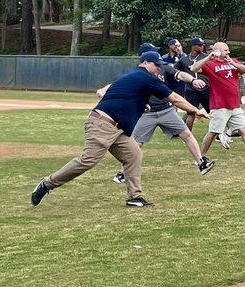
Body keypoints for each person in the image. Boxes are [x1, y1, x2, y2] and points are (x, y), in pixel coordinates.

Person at [31, 51, 208, 208]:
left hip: (117, 128)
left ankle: (134, 197)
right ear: (145, 63)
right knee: (87, 161)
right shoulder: (145, 77)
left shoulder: (131, 76)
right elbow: (175, 99)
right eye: (156, 66)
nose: (159, 69)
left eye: (160, 66)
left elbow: (120, 95)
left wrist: (140, 104)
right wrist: (195, 110)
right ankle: (47, 184)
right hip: (103, 125)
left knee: (134, 154)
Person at [112, 43, 215, 185]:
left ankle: (201, 164)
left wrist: (193, 79)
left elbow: (179, 74)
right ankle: (122, 173)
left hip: (166, 110)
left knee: (187, 134)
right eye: (153, 53)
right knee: (137, 144)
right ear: (145, 58)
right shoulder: (137, 74)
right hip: (147, 114)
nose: (158, 55)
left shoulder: (162, 67)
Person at [192, 42, 245, 166]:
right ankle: (200, 158)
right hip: (219, 105)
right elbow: (193, 68)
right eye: (226, 50)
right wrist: (208, 58)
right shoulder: (210, 64)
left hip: (234, 105)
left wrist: (233, 63)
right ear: (218, 51)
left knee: (244, 130)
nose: (229, 52)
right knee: (213, 132)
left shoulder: (233, 61)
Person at [181, 38, 211, 131]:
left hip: (206, 89)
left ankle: (218, 134)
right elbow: (177, 70)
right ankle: (188, 135)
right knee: (191, 114)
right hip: (191, 90)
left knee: (213, 112)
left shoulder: (206, 57)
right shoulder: (184, 59)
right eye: (200, 45)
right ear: (193, 46)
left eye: (203, 45)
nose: (202, 47)